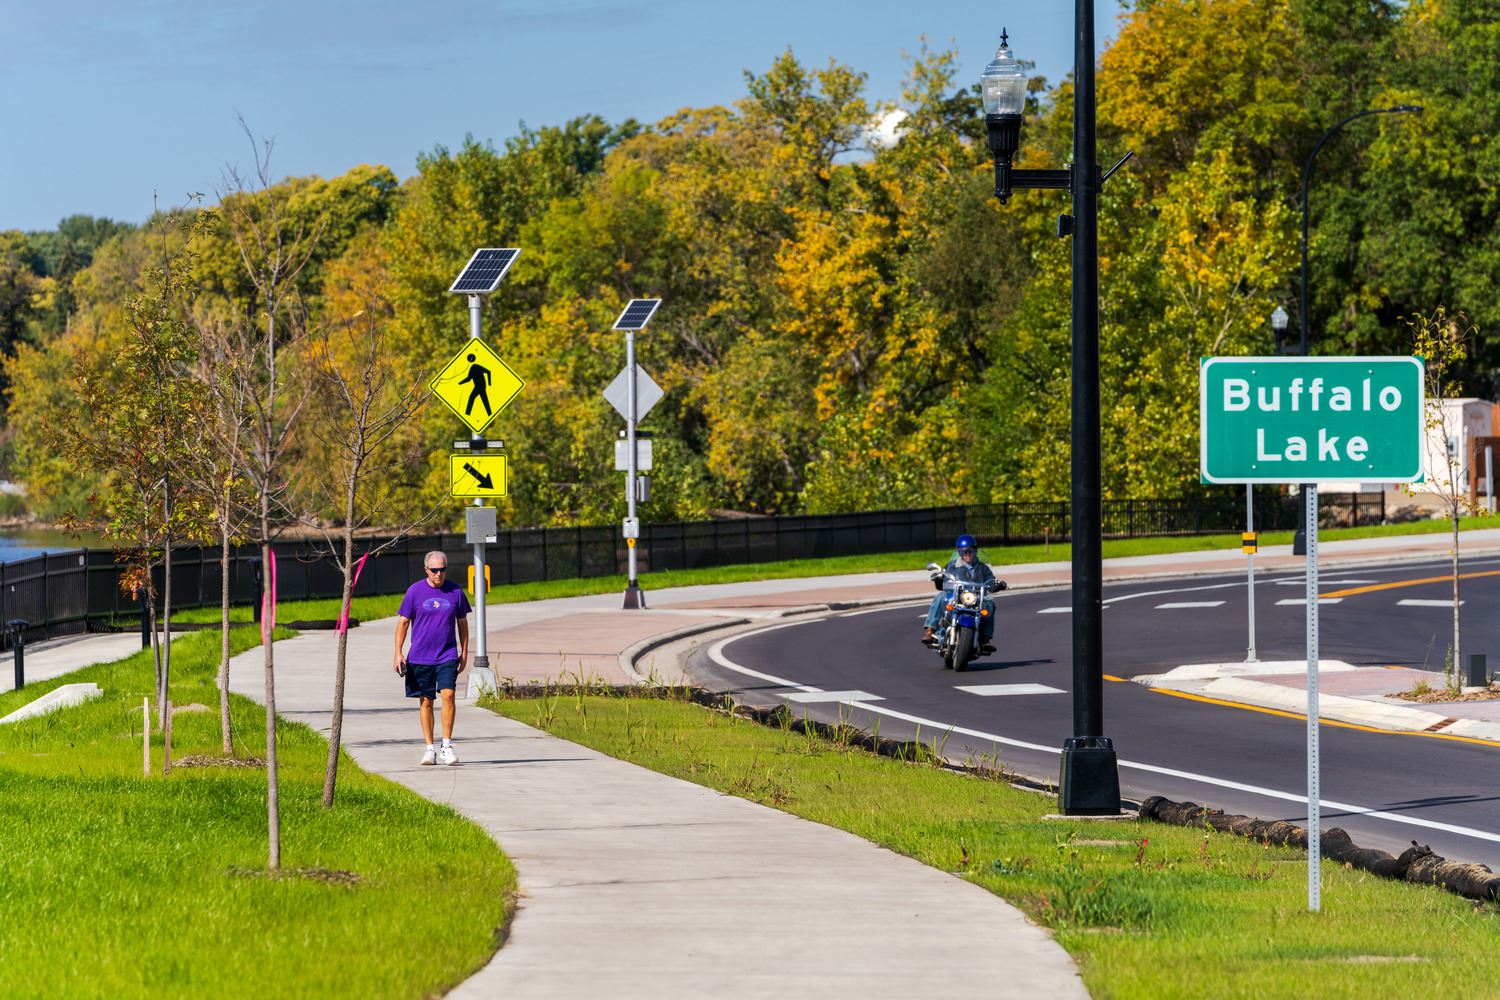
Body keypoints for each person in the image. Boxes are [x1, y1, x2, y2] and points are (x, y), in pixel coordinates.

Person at [394, 551, 471, 765]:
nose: (439, 574)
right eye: (435, 570)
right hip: (420, 657)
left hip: (447, 654)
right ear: (426, 570)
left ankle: (446, 745)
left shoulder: (455, 591)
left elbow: (462, 624)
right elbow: (403, 623)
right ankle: (429, 749)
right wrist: (398, 652)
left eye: (442, 570)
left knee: (448, 695)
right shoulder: (414, 592)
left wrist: (464, 652)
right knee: (426, 701)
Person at [922, 534, 998, 652]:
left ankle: (985, 639)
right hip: (956, 596)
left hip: (975, 598)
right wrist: (939, 577)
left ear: (975, 551)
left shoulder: (983, 568)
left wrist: (997, 584)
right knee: (941, 597)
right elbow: (944, 576)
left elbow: (991, 581)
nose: (967, 554)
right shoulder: (952, 566)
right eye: (964, 552)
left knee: (989, 604)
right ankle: (930, 630)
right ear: (959, 553)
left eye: (970, 551)